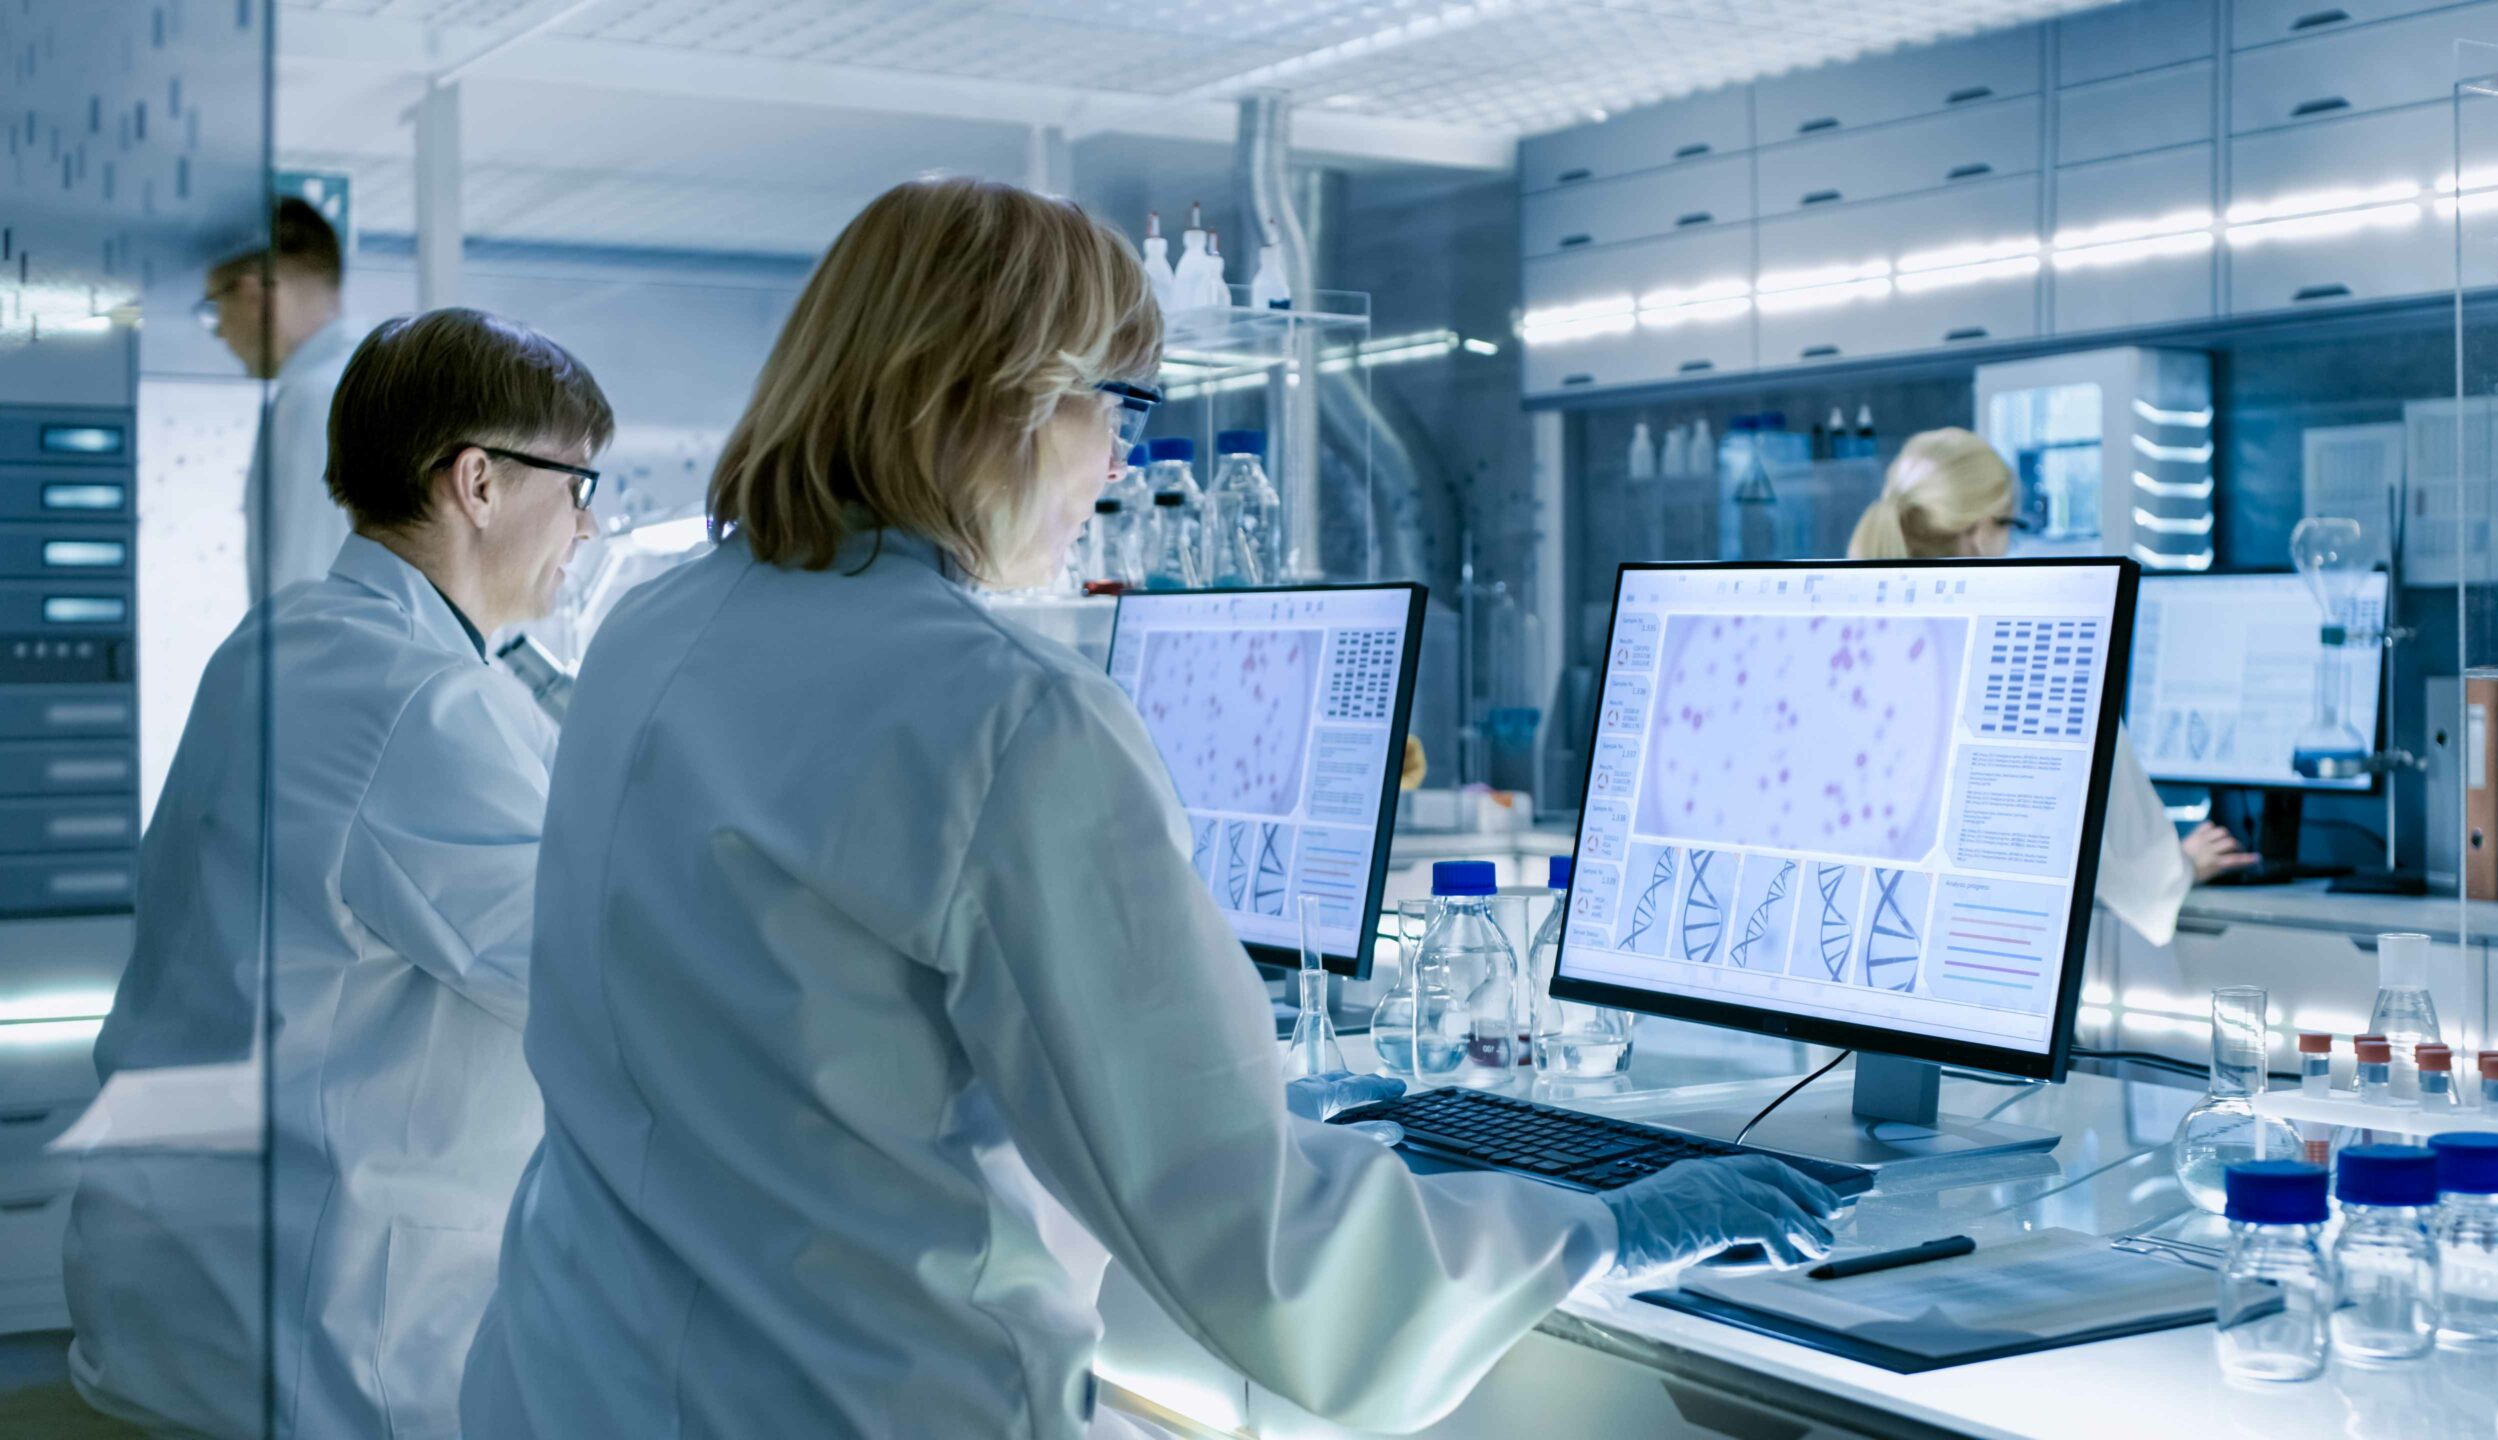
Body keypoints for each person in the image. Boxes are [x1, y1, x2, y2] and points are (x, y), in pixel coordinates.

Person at [460, 177, 1845, 1440]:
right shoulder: (1004, 711)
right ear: (1007, 393)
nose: (1120, 470)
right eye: (1120, 411)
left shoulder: (658, 628)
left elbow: (803, 1050)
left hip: (577, 1376)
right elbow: (1251, 1234)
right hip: (848, 1400)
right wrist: (1597, 1226)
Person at [65, 309, 611, 1439]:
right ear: (478, 482)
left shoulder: (285, 640)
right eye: (579, 485)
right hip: (335, 1333)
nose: (590, 527)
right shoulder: (421, 702)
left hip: (191, 1289)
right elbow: (597, 974)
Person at [1847, 427, 2257, 943]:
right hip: (1987, 952)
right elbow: (2116, 842)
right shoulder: (2030, 658)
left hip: (1867, 939)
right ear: (1978, 532)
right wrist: (2181, 866)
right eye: (2009, 523)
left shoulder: (1854, 644)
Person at [196, 196, 366, 599]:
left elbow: (301, 596)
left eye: (214, 307)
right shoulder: (374, 381)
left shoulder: (314, 400)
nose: (219, 331)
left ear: (254, 295)